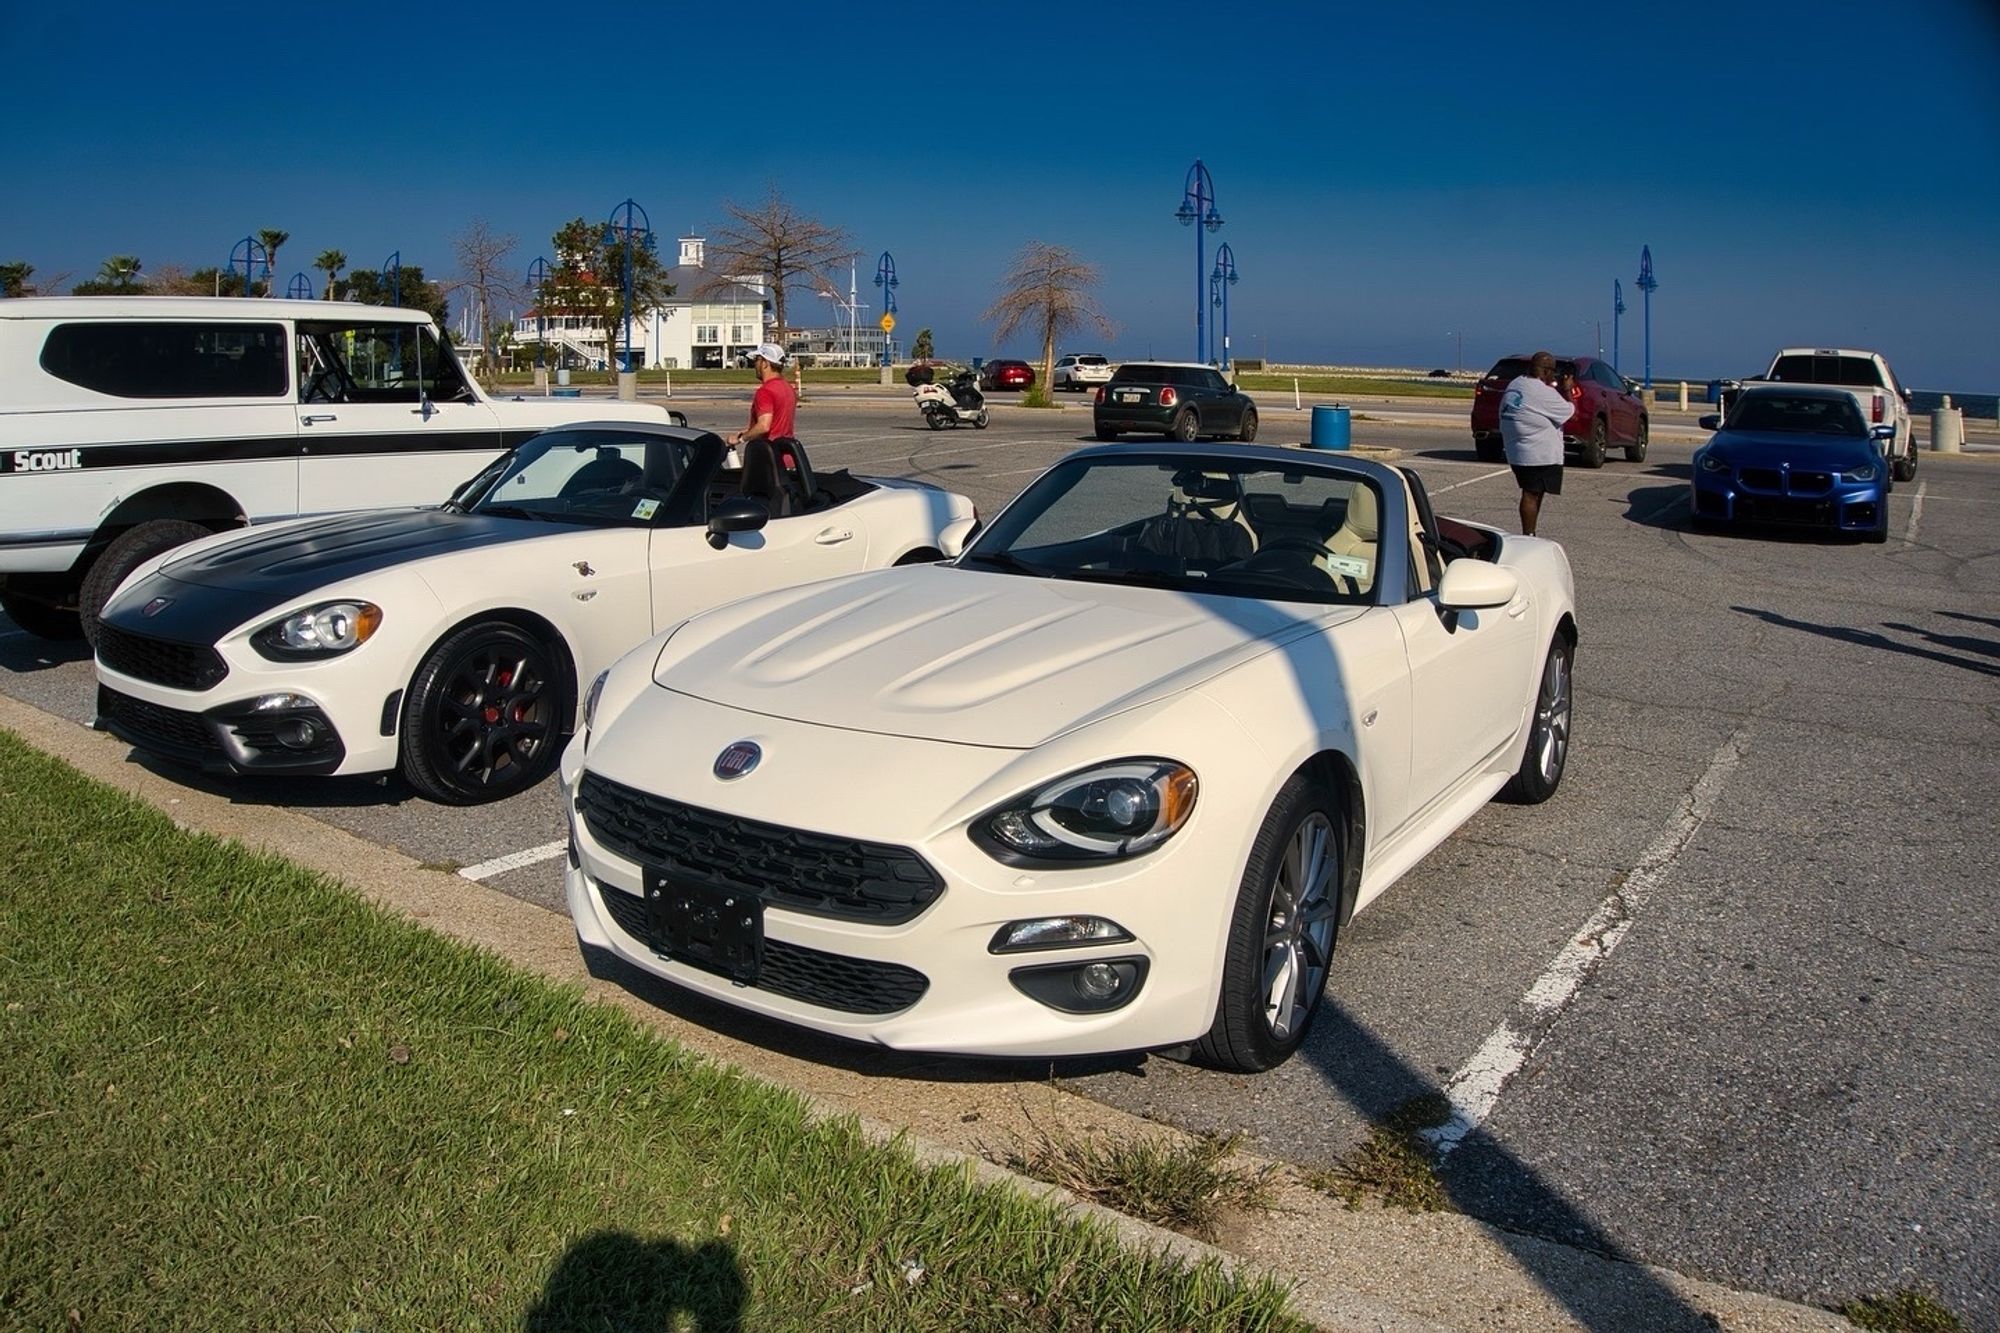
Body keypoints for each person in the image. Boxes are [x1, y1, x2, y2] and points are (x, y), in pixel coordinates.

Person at [1498, 350, 1575, 537]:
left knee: (1535, 492)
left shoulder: (1516, 383)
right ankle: (1528, 534)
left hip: (1518, 450)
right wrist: (1566, 390)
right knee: (1531, 494)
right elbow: (1568, 410)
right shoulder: (1541, 391)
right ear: (1547, 371)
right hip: (1537, 452)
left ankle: (1531, 531)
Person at [730, 343, 797, 467]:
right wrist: (747, 431)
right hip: (788, 457)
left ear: (765, 363)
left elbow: (764, 426)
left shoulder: (765, 391)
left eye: (757, 360)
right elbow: (777, 423)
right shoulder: (788, 388)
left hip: (768, 459)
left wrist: (740, 439)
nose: (755, 364)